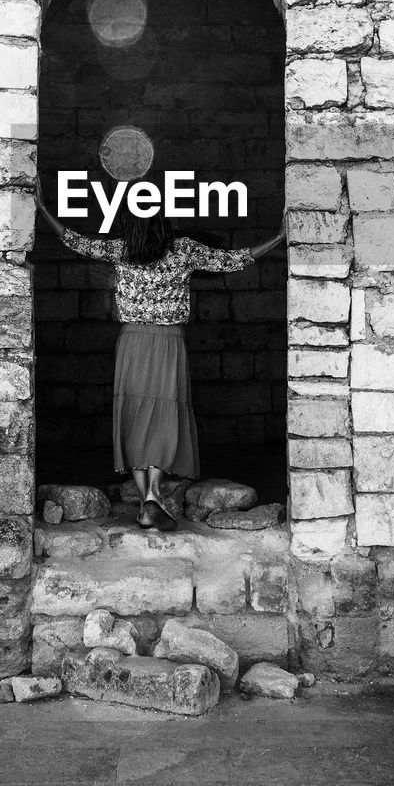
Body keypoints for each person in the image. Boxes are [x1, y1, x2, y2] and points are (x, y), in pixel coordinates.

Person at [35, 178, 286, 531]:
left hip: (132, 342)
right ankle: (152, 494)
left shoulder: (121, 249)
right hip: (169, 343)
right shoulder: (183, 250)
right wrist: (277, 238)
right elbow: (233, 260)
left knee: (134, 415)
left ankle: (146, 501)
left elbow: (75, 241)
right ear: (163, 219)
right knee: (164, 415)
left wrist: (45, 209)